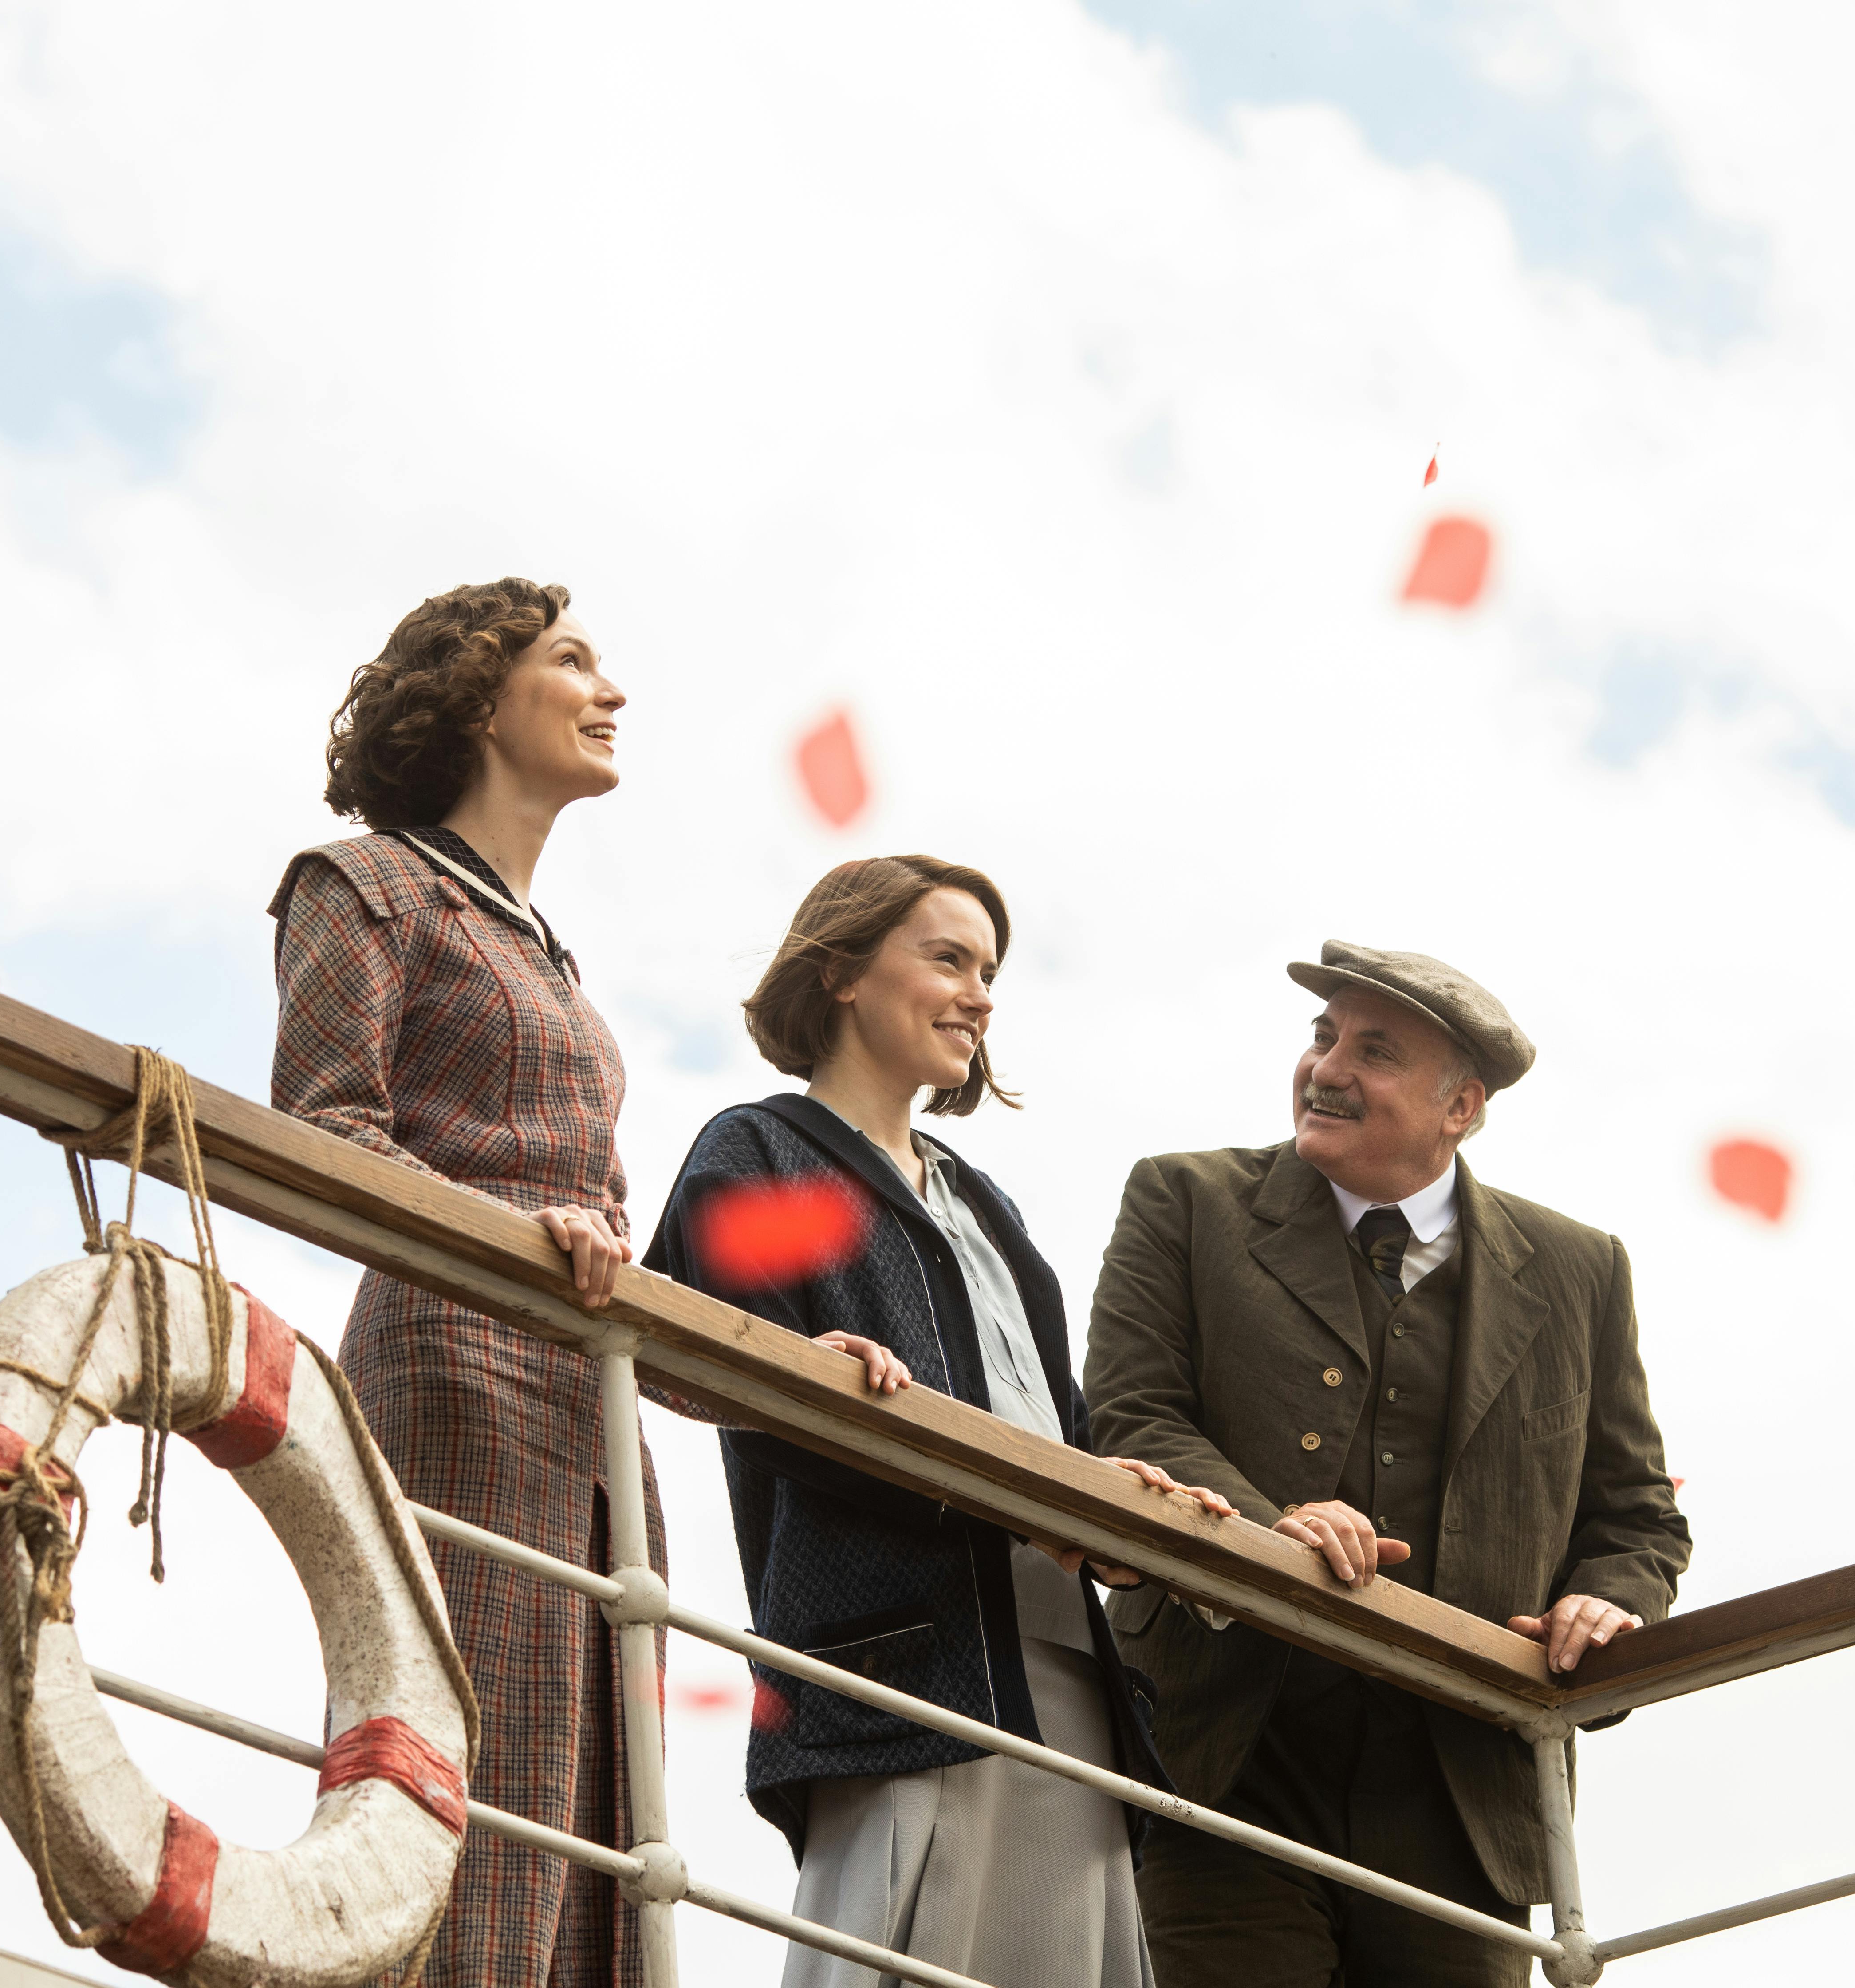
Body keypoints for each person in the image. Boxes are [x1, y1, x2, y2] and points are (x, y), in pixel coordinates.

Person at [644, 856, 1231, 1988]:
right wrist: (808, 1365)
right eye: (949, 957)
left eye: (991, 971)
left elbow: (1060, 1424)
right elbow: (717, 1366)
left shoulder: (989, 1205)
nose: (980, 993)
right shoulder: (754, 1148)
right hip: (905, 1673)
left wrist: (1128, 1497)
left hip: (1067, 1669)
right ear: (845, 973)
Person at [1083, 941, 1693, 1988]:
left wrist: (1606, 1601)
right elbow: (1133, 1418)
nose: (1327, 1067)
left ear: (1461, 1105)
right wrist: (1261, 1518)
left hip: (1466, 1797)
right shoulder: (1184, 1200)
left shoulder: (1582, 1268)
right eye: (1322, 1036)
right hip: (1226, 1755)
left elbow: (1637, 1517)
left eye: (1374, 1049)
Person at [268, 579, 657, 1988]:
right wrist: (508, 1227)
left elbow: (594, 1205)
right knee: (463, 1767)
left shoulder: (556, 955)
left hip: (588, 1405)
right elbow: (323, 1127)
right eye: (573, 662)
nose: (610, 691)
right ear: (477, 695)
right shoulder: (367, 885)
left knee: (605, 1798)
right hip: (454, 1366)